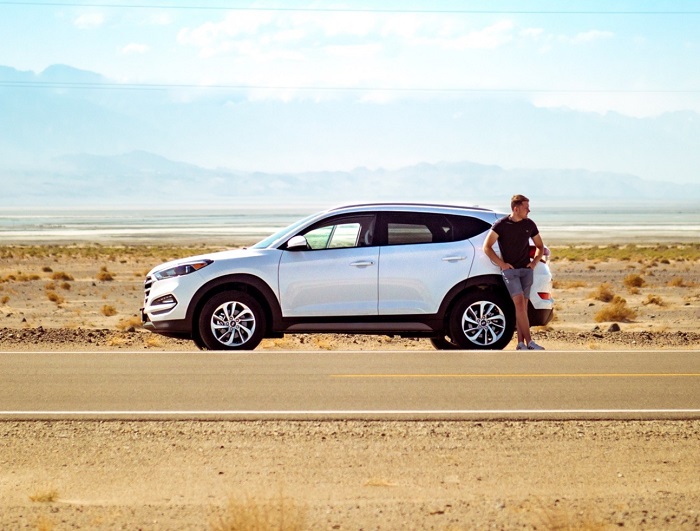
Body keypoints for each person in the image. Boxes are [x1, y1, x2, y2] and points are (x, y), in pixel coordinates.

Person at [483, 194, 545, 351]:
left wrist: (533, 263)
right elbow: (487, 246)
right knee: (519, 304)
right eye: (526, 208)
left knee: (523, 307)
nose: (528, 210)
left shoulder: (529, 224)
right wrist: (502, 264)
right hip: (511, 273)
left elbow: (540, 246)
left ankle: (520, 343)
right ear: (516, 208)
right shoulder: (501, 225)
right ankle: (530, 342)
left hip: (526, 271)